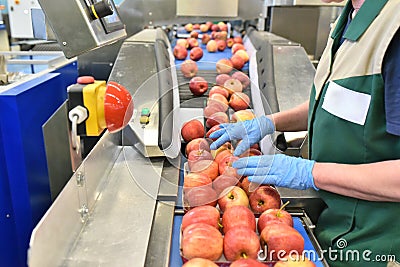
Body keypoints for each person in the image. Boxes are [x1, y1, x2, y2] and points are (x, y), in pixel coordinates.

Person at [210, 0, 400, 266]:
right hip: (336, 227)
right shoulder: (350, 19)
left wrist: (309, 172)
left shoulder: (394, 29)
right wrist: (269, 123)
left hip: (378, 246)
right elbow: (332, 102)